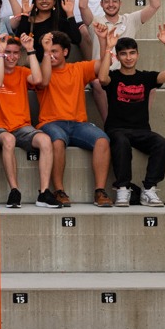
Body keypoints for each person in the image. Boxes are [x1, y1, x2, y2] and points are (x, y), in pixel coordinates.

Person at [95, 24, 165, 207]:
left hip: (141, 130)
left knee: (162, 143)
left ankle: (149, 189)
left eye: (132, 53)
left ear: (138, 55)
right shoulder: (113, 77)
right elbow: (101, 79)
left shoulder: (146, 78)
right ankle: (123, 189)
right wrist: (108, 48)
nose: (129, 57)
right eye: (124, 54)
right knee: (122, 142)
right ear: (118, 56)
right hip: (117, 129)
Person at [35, 30, 113, 208]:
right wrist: (45, 53)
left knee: (102, 140)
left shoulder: (77, 68)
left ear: (65, 52)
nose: (51, 55)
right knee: (57, 140)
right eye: (48, 51)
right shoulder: (41, 72)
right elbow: (43, 82)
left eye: (55, 51)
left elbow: (102, 66)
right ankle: (59, 191)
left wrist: (103, 42)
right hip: (51, 122)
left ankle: (100, 191)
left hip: (78, 124)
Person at [0, 31, 56, 208]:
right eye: (8, 52)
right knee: (9, 140)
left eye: (15, 53)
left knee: (46, 140)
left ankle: (44, 192)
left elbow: (39, 79)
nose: (12, 56)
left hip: (22, 126)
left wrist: (31, 50)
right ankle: (14, 191)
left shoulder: (23, 72)